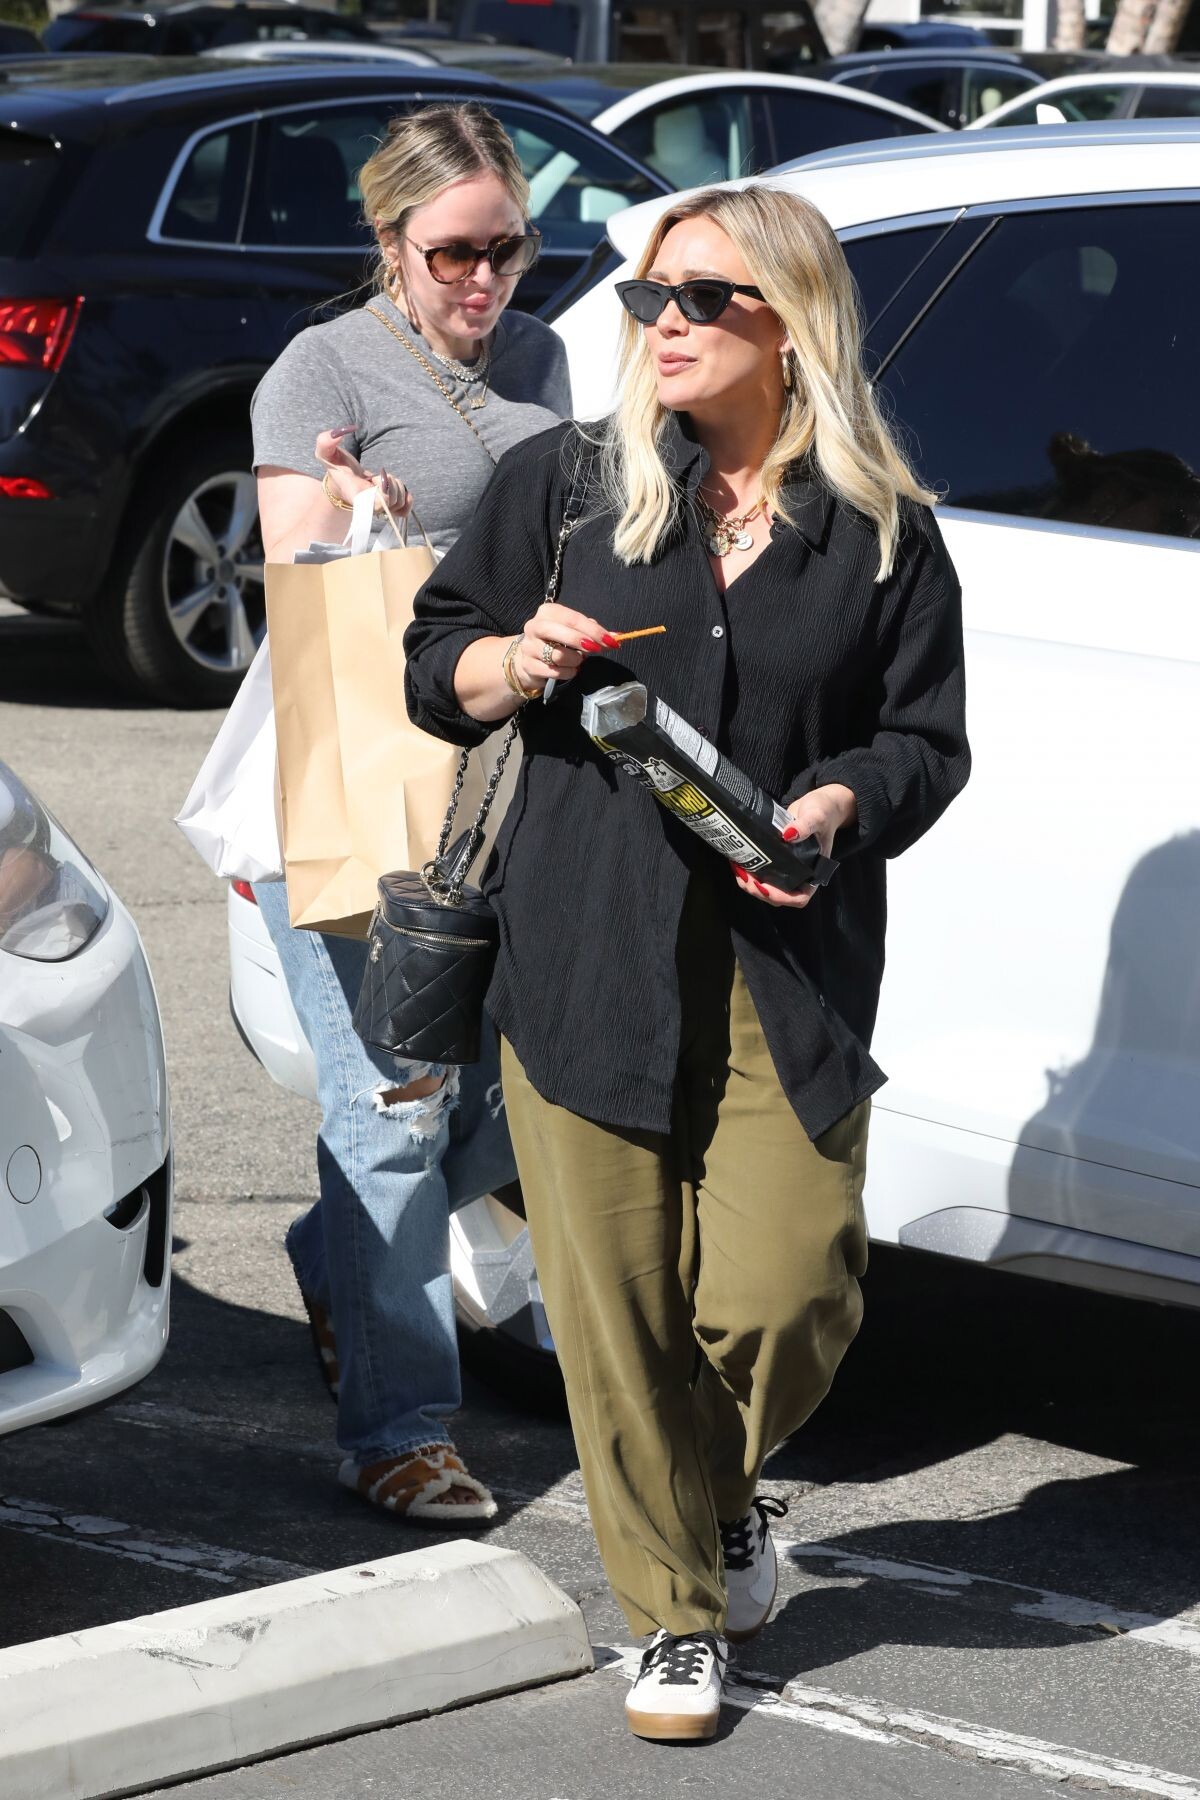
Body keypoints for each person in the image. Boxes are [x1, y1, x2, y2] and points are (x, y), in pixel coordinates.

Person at [404, 183, 970, 1733]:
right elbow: (434, 660)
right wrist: (511, 657)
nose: (664, 323)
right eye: (653, 296)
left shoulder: (880, 532)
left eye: (705, 299)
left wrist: (845, 799)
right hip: (580, 954)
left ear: (791, 324)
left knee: (790, 1288)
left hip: (782, 971)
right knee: (617, 1319)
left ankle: (715, 1503)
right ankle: (674, 1616)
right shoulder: (563, 486)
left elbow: (925, 740)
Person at [249, 102, 571, 1523]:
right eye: (453, 254)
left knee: (515, 1097)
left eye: (507, 249)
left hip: (507, 789)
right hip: (363, 789)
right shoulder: (320, 367)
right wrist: (349, 512)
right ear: (390, 242)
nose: (484, 280)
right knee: (397, 1105)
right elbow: (296, 582)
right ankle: (399, 1430)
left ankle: (342, 1256)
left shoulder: (542, 358)